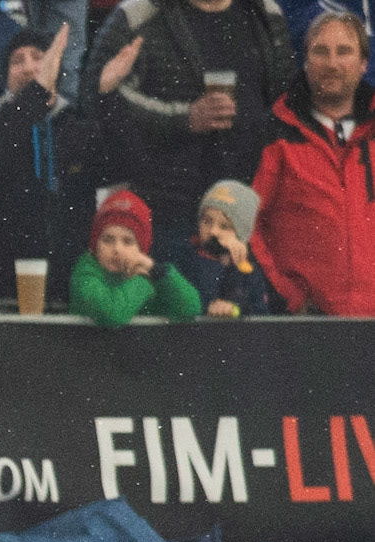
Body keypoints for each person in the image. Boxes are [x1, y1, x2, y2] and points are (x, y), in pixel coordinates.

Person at [82, 0, 295, 268]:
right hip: (166, 212)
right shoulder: (138, 13)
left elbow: (285, 102)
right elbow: (97, 96)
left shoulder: (264, 11)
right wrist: (185, 119)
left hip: (246, 211)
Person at [0, 25, 144, 309]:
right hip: (2, 290)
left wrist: (107, 95)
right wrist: (37, 92)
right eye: (17, 61)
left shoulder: (75, 126)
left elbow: (127, 164)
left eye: (38, 57)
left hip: (68, 289)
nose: (28, 67)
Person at [250, 10, 375, 314]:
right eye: (321, 51)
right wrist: (285, 295)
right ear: (304, 61)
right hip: (306, 324)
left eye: (344, 51)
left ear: (363, 63)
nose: (332, 63)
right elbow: (244, 222)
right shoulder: (275, 134)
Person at [69, 186, 203, 324]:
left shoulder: (150, 275)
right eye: (107, 240)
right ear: (95, 244)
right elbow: (111, 314)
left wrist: (158, 272)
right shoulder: (85, 273)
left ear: (141, 249)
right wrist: (141, 280)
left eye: (127, 241)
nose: (117, 249)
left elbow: (191, 309)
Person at [186, 178, 271, 314]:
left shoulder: (249, 267)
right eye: (206, 221)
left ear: (241, 234)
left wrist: (235, 309)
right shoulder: (187, 256)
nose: (213, 231)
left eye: (225, 226)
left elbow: (260, 312)